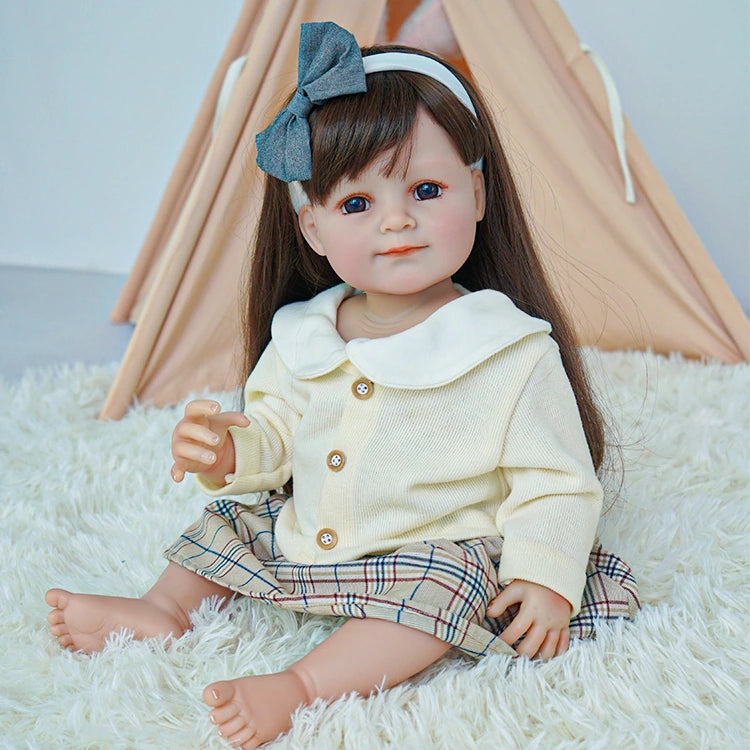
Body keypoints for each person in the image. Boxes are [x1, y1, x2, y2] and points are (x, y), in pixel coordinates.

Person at [46, 22, 640, 750]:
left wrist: (546, 577)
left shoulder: (506, 348)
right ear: (314, 229)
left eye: (427, 189)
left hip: (430, 545)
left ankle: (302, 686)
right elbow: (274, 433)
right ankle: (164, 609)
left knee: (448, 591)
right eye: (357, 204)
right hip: (308, 531)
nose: (398, 221)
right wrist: (226, 452)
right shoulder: (306, 332)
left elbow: (557, 482)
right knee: (232, 520)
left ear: (478, 194)